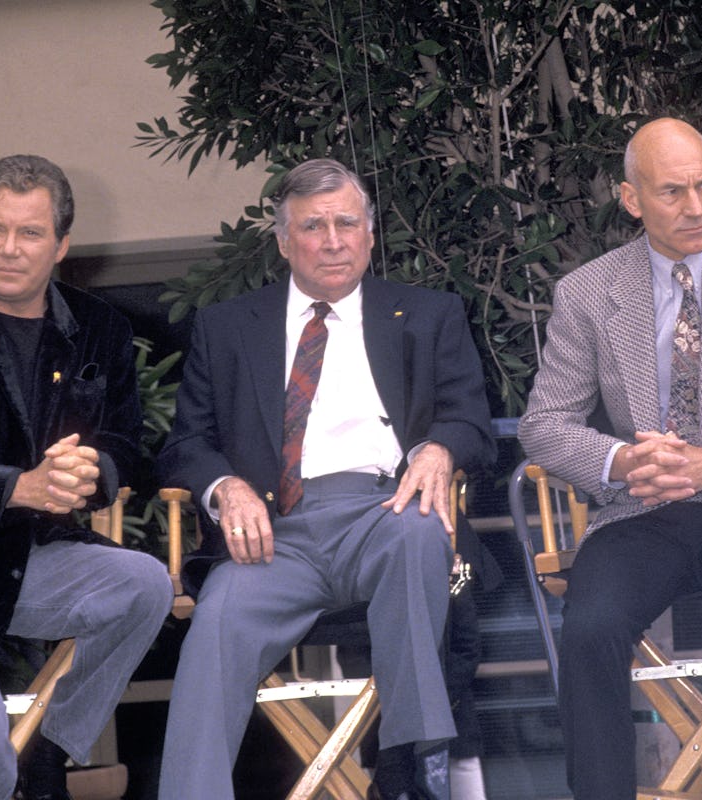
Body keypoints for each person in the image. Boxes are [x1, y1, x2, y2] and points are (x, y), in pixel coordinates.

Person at [156, 158, 496, 800]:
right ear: (285, 242)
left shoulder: (428, 314)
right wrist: (226, 489)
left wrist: (438, 450)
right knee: (217, 624)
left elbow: (471, 421)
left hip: (384, 510)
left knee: (422, 533)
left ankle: (407, 771)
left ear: (371, 234)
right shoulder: (227, 327)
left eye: (348, 223)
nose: (334, 239)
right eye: (314, 226)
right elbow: (186, 445)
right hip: (272, 532)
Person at [518, 117, 702, 800]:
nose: (698, 206)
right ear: (631, 198)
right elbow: (544, 424)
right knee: (588, 631)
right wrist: (620, 459)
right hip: (643, 511)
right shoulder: (587, 293)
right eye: (673, 192)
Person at [0, 154, 174, 800]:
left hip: (29, 559)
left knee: (144, 586)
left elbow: (127, 445)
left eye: (30, 233)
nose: (8, 249)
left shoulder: (101, 329)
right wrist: (18, 486)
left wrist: (89, 470)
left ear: (62, 244)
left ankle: (53, 752)